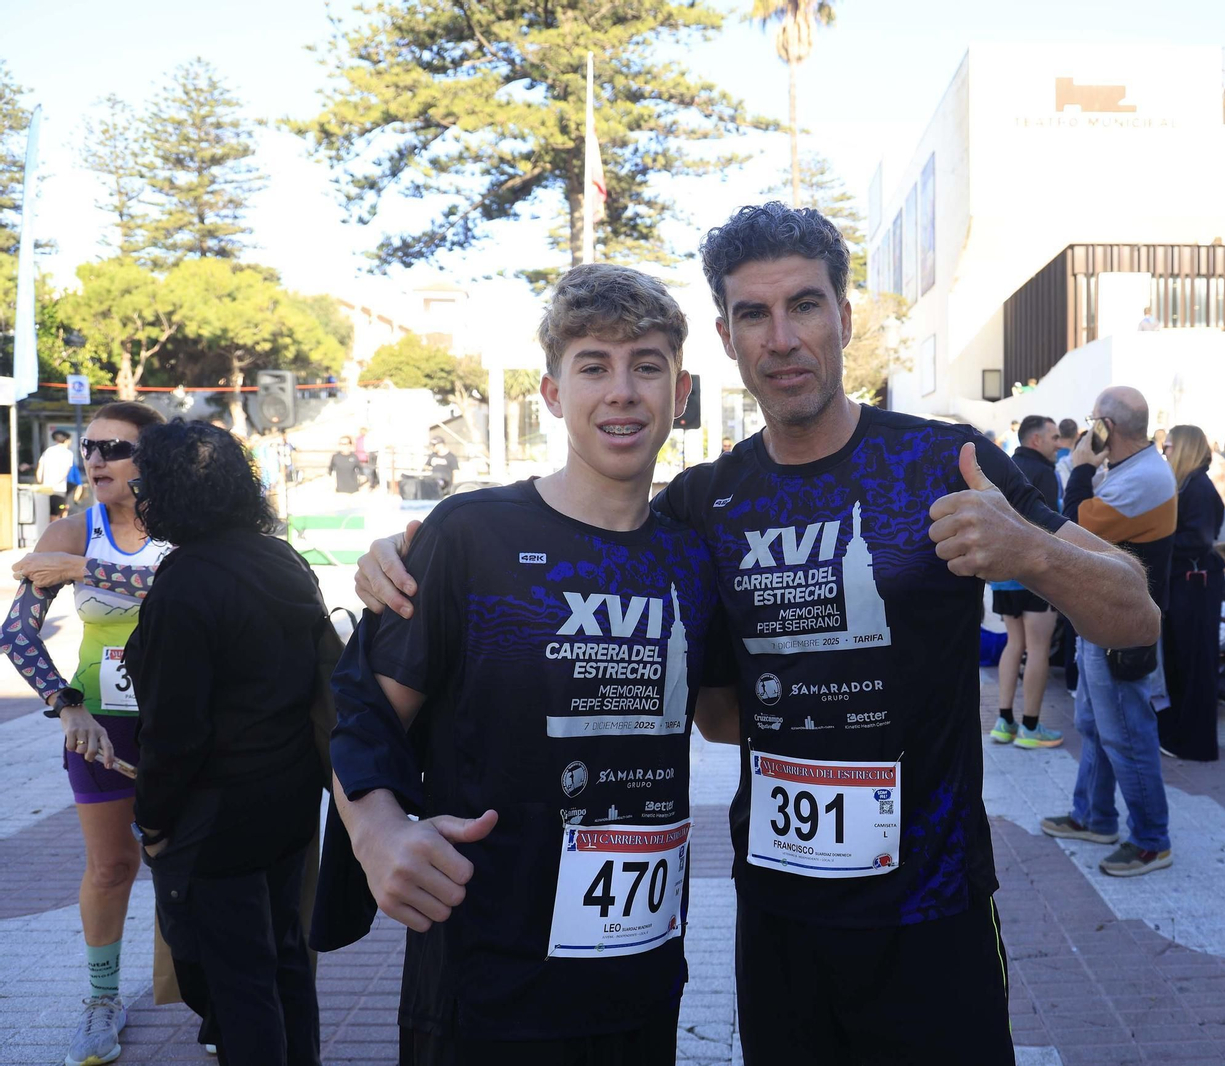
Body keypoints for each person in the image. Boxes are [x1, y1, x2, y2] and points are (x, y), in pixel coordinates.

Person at [353, 203, 1159, 1065]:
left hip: (931, 909)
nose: (782, 338)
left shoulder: (944, 463)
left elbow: (1133, 611)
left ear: (845, 318)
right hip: (778, 920)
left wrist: (1031, 550)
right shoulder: (703, 505)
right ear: (727, 339)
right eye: (753, 314)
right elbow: (681, 666)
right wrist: (409, 558)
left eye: (805, 305)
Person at [329, 265, 724, 1065]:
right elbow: (362, 709)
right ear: (551, 393)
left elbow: (727, 711)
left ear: (679, 393)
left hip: (638, 977)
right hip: (483, 982)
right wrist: (376, 834)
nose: (622, 391)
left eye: (646, 366)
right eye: (594, 366)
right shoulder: (471, 534)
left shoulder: (693, 555)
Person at [126, 420, 327, 1066]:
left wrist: (152, 821)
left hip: (218, 814)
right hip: (291, 797)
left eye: (144, 482)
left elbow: (174, 730)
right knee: (286, 961)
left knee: (238, 982)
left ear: (171, 492)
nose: (138, 494)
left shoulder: (185, 583)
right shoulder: (281, 559)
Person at [0, 402, 170, 1066]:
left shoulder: (187, 531)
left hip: (182, 724)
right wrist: (67, 705)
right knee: (111, 867)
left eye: (114, 448)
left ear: (151, 461)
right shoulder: (73, 530)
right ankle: (101, 1001)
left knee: (187, 864)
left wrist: (88, 575)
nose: (95, 459)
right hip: (100, 725)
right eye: (90, 447)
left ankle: (209, 995)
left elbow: (195, 590)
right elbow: (17, 631)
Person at [1042, 386, 1175, 878]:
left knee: (1128, 735)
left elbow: (1076, 525)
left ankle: (1151, 840)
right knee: (1097, 728)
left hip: (1120, 624)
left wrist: (1078, 466)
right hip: (1100, 614)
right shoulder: (1127, 469)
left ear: (1107, 428)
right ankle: (1094, 817)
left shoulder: (1143, 476)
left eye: (1092, 419)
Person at [989, 415, 1064, 749]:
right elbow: (1048, 526)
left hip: (1003, 575)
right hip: (1033, 574)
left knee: (1013, 643)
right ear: (1036, 439)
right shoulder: (1044, 473)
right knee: (1037, 648)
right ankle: (1031, 727)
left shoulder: (1003, 465)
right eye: (1054, 437)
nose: (1058, 443)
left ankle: (1004, 721)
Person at [1158, 426, 1225, 762]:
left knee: (1195, 663)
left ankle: (1195, 742)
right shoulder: (1187, 484)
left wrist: (1158, 542)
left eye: (1168, 447)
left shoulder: (1197, 487)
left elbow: (1200, 539)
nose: (1164, 452)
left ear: (1183, 448)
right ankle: (1180, 733)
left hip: (1195, 585)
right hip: (1186, 583)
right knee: (1181, 661)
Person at [38, 428, 77, 521]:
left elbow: (39, 469)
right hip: (59, 489)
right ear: (67, 440)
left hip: (45, 489)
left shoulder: (48, 451)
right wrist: (55, 483)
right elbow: (65, 471)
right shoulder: (68, 453)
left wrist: (42, 483)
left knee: (45, 515)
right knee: (56, 515)